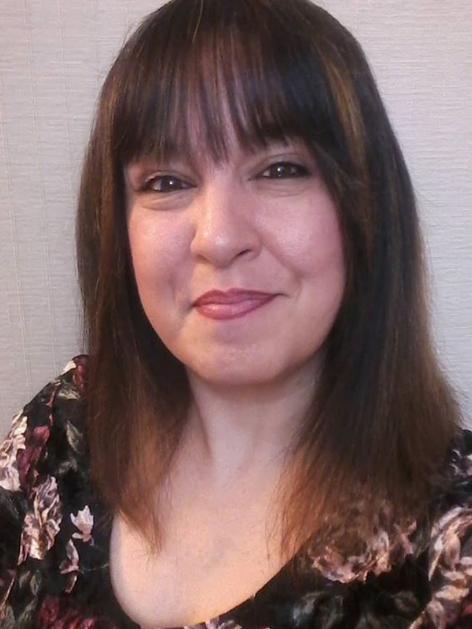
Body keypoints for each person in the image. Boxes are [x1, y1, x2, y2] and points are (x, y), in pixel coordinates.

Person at [0, 0, 471, 627]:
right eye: (166, 182)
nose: (219, 239)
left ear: (366, 209)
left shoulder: (449, 546)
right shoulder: (59, 433)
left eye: (280, 169)